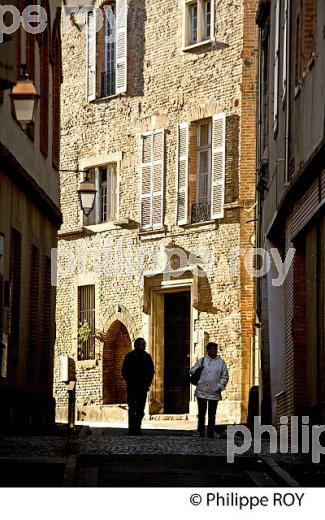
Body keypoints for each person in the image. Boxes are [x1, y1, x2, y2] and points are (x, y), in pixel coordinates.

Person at [190, 342, 229, 438]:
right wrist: (197, 370)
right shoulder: (202, 361)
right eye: (212, 349)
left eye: (215, 349)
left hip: (214, 392)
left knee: (212, 414)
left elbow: (225, 376)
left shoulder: (221, 363)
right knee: (202, 413)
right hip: (201, 391)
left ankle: (210, 432)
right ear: (208, 350)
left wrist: (219, 387)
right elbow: (192, 370)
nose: (214, 351)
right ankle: (201, 431)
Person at [121, 337, 155, 435]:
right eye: (142, 344)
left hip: (143, 388)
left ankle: (138, 427)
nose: (144, 346)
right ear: (136, 345)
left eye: (144, 344)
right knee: (132, 408)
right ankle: (132, 429)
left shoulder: (147, 357)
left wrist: (147, 383)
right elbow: (124, 371)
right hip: (132, 387)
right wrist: (130, 381)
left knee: (140, 409)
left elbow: (151, 371)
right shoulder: (129, 357)